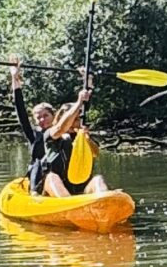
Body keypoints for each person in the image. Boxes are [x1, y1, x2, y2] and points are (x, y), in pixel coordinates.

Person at [8, 61, 112, 199]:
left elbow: (81, 112)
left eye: (45, 116)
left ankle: (104, 201)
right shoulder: (48, 135)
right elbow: (22, 112)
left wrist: (88, 81)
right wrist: (15, 79)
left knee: (98, 179)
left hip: (77, 185)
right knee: (50, 176)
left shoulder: (79, 134)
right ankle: (66, 205)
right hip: (48, 182)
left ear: (53, 115)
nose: (42, 120)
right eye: (38, 117)